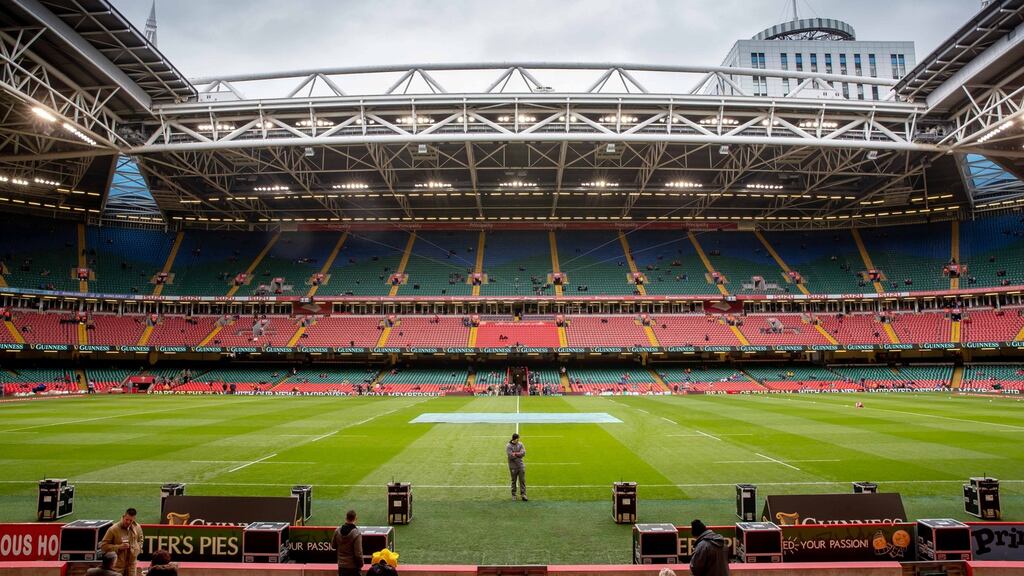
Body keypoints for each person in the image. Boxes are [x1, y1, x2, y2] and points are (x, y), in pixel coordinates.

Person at [100, 508, 143, 576]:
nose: (128, 522)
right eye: (126, 519)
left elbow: (140, 540)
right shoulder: (113, 529)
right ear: (123, 517)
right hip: (117, 566)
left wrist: (137, 549)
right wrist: (119, 547)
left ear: (134, 519)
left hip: (132, 566)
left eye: (131, 520)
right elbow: (103, 546)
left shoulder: (137, 527)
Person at [333, 509, 363, 576]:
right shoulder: (356, 533)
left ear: (346, 518)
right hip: (353, 567)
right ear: (355, 519)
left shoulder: (337, 531)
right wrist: (361, 564)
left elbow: (333, 546)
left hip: (341, 566)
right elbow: (358, 553)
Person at [507, 432, 527, 501]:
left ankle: (523, 494)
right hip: (513, 466)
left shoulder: (520, 444)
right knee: (513, 481)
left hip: (521, 466)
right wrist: (519, 455)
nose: (518, 441)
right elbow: (510, 456)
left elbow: (524, 453)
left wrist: (515, 453)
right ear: (514, 439)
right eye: (517, 439)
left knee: (522, 480)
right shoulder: (509, 446)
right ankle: (513, 495)